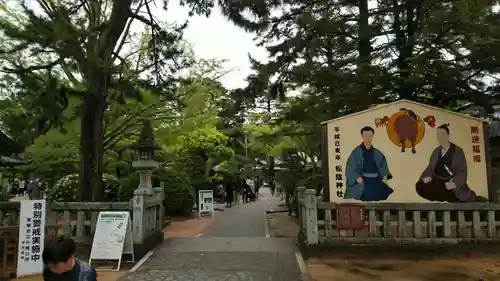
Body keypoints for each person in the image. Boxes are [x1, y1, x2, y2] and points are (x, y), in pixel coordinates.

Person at [416, 124, 487, 202]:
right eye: (438, 135)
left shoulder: (457, 151)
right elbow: (430, 168)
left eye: (443, 134)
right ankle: (443, 196)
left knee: (442, 188)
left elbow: (462, 171)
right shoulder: (436, 151)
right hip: (438, 181)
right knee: (420, 186)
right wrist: (426, 177)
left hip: (450, 183)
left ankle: (463, 197)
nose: (440, 137)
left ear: (448, 135)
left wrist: (454, 182)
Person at [345, 126, 393, 201]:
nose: (368, 138)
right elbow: (350, 168)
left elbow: (383, 168)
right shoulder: (356, 152)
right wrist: (357, 177)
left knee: (379, 199)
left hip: (376, 181)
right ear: (362, 136)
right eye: (366, 136)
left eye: (370, 136)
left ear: (372, 136)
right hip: (363, 182)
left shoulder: (377, 153)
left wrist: (385, 179)